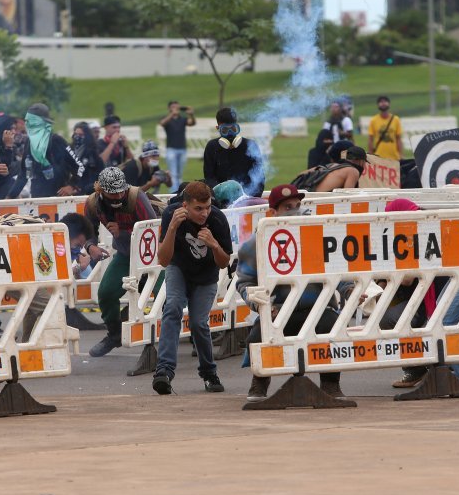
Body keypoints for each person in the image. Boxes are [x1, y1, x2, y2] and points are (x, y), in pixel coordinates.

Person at [237, 184, 354, 402]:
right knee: (258, 335)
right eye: (287, 207)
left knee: (334, 327)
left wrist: (349, 289)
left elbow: (337, 270)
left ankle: (330, 385)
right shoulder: (255, 244)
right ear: (272, 213)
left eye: (298, 205)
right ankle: (260, 382)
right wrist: (261, 305)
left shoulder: (316, 236)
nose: (295, 210)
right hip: (278, 311)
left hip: (317, 309)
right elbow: (245, 283)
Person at [383, 198, 459, 392]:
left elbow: (406, 279)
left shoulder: (418, 231)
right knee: (445, 323)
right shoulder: (424, 224)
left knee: (445, 324)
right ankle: (453, 375)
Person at [151, 182, 231, 395]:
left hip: (206, 276)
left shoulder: (217, 219)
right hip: (179, 268)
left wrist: (214, 245)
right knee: (173, 307)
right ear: (185, 206)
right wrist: (171, 228)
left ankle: (209, 372)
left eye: (207, 207)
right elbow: (164, 260)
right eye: (198, 209)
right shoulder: (171, 214)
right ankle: (164, 371)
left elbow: (224, 263)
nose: (204, 213)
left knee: (198, 323)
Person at [83, 166, 158, 357]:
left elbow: (154, 231)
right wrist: (91, 247)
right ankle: (114, 335)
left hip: (154, 256)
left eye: (120, 191)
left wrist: (124, 232)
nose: (118, 196)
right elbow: (88, 231)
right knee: (106, 292)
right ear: (101, 191)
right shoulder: (92, 204)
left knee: (166, 295)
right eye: (112, 193)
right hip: (125, 256)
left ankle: (169, 337)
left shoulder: (137, 198)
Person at [23, 103, 85, 198]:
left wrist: (71, 186)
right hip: (36, 199)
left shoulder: (56, 140)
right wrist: (10, 197)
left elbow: (79, 167)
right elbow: (22, 173)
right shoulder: (28, 142)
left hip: (58, 199)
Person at [202, 107, 265, 196]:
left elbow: (259, 177)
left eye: (233, 128)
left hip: (248, 196)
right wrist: (222, 194)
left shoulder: (250, 145)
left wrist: (251, 197)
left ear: (237, 126)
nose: (230, 133)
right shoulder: (212, 147)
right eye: (225, 130)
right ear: (218, 128)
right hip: (222, 197)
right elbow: (209, 178)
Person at [160, 101, 196, 191]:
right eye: (173, 107)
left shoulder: (182, 119)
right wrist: (172, 114)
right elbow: (162, 123)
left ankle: (179, 191)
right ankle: (173, 193)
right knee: (173, 173)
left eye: (177, 107)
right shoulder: (168, 119)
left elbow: (192, 123)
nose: (176, 109)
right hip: (171, 149)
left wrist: (191, 115)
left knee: (179, 174)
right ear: (169, 108)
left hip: (182, 149)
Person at [68, 121, 104, 195]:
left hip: (87, 193)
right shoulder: (68, 150)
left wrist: (84, 189)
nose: (77, 137)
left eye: (81, 135)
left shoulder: (93, 154)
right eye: (76, 134)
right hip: (69, 191)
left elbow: (100, 177)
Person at [367, 95, 403, 161]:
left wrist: (401, 154)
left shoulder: (396, 119)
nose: (383, 103)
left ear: (389, 104)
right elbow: (370, 139)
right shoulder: (373, 120)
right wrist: (370, 155)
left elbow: (398, 139)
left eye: (385, 101)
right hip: (378, 157)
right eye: (381, 102)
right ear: (378, 105)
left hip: (394, 157)